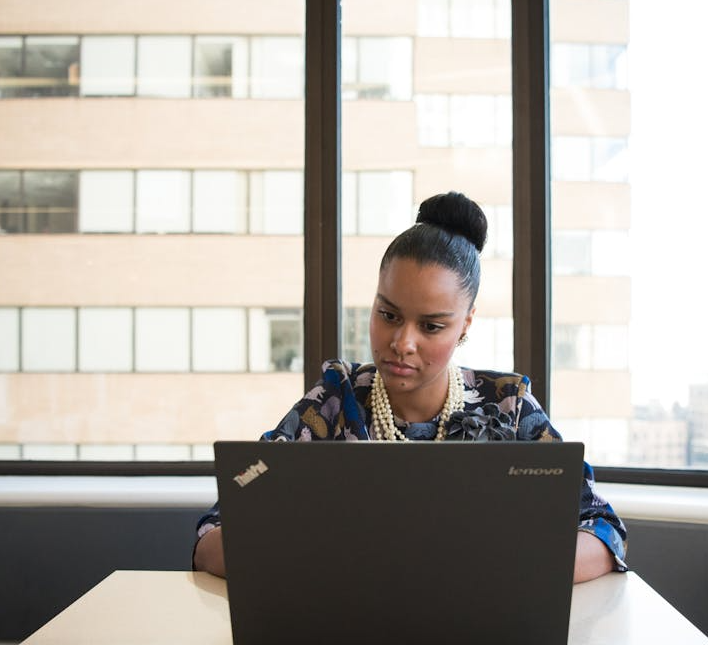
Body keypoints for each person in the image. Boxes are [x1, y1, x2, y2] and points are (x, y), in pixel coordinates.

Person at [193, 192, 627, 582]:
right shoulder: (333, 401)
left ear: (466, 324)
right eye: (389, 315)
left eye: (432, 326)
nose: (402, 344)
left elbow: (603, 530)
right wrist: (319, 558)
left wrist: (499, 566)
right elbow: (215, 533)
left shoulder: (508, 408)